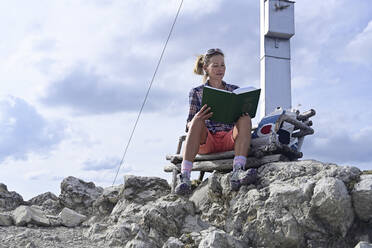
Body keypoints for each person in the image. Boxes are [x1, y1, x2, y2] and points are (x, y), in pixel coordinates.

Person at [175, 48, 257, 195]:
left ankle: (238, 172)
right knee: (196, 121)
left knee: (245, 118)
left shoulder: (234, 89)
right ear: (206, 68)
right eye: (215, 65)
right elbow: (188, 124)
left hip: (229, 138)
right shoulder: (196, 92)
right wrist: (197, 119)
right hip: (207, 141)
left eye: (223, 65)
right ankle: (185, 177)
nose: (220, 69)